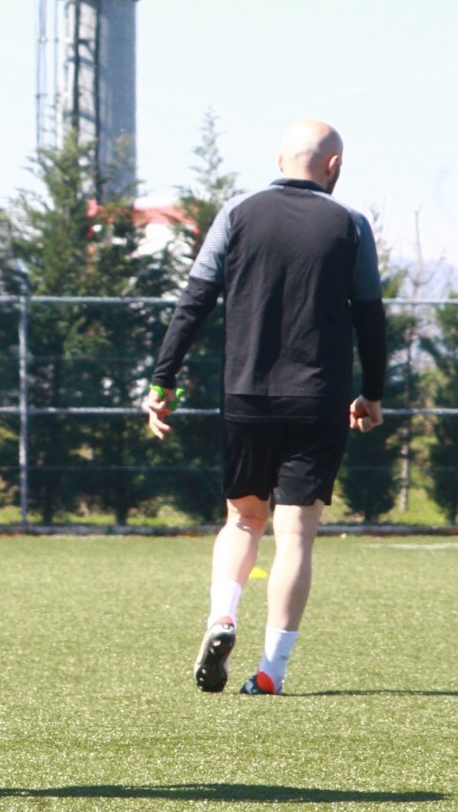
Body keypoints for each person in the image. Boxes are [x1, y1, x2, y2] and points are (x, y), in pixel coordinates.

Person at [146, 119, 386, 698]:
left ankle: (222, 617)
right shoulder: (349, 224)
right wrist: (372, 391)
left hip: (246, 395)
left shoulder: (237, 214)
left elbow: (194, 301)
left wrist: (163, 381)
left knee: (242, 519)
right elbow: (370, 316)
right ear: (334, 167)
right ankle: (270, 671)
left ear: (280, 159)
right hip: (318, 397)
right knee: (295, 534)